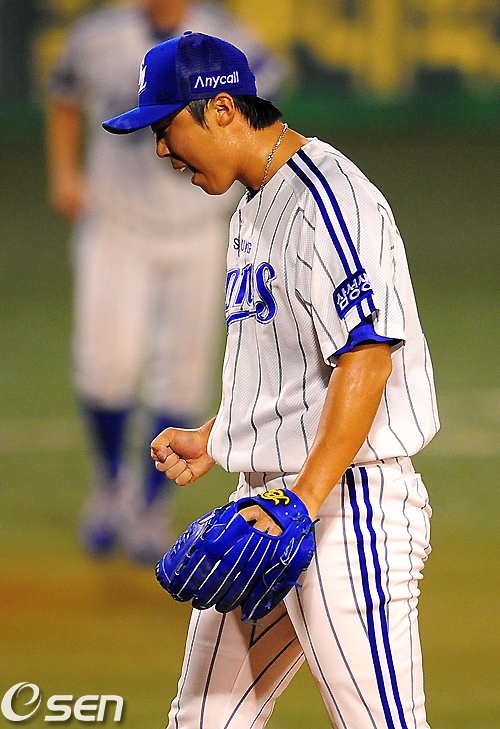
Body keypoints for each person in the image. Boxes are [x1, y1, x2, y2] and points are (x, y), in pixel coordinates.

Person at [103, 31, 440, 729]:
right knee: (204, 720)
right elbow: (295, 367)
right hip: (272, 507)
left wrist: (301, 504)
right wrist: (219, 436)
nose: (161, 151)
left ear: (223, 109)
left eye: (166, 128)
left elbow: (367, 355)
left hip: (347, 509)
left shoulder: (330, 199)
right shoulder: (255, 205)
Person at [45, 0, 284, 565]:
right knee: (105, 368)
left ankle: (151, 506)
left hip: (199, 229)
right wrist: (64, 173)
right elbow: (63, 94)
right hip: (117, 223)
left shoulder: (225, 41)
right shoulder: (100, 36)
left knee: (181, 377)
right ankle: (111, 486)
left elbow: (264, 107)